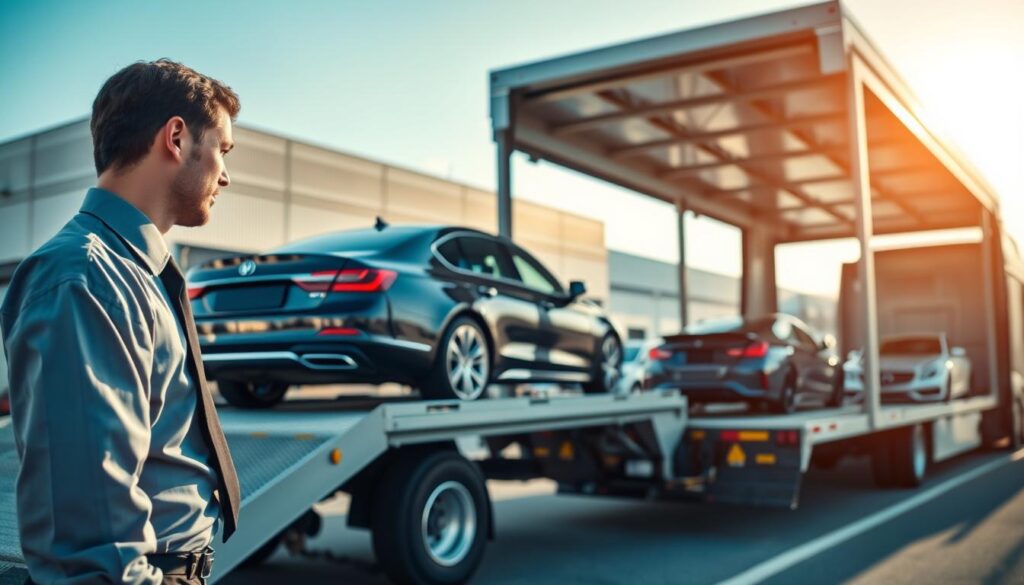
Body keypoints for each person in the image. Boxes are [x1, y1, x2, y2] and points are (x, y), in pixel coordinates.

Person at [0, 59, 242, 585]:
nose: (226, 174)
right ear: (176, 138)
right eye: (222, 150)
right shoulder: (85, 278)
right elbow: (90, 548)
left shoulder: (130, 272)